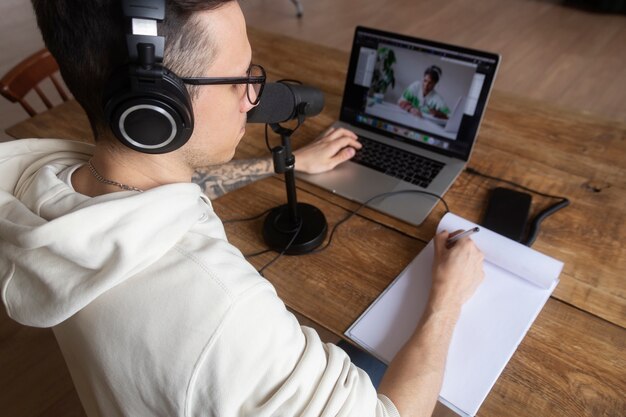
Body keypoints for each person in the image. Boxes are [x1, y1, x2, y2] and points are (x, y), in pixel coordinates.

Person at [0, 1, 484, 417]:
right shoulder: (226, 316)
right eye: (241, 77)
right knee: (372, 354)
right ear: (156, 108)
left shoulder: (42, 183)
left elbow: (184, 189)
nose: (253, 99)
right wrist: (446, 299)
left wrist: (285, 162)